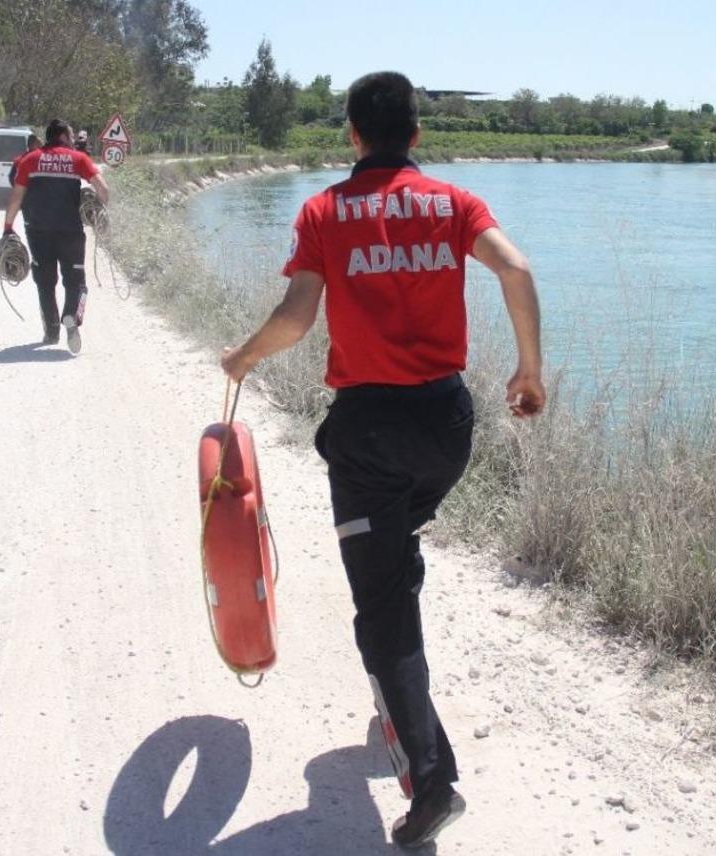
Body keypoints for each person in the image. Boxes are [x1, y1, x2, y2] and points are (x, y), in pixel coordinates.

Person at [221, 71, 545, 849]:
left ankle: (432, 781)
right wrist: (530, 371)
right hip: (448, 426)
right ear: (417, 136)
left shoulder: (324, 211)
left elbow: (298, 317)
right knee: (397, 553)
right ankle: (398, 692)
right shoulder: (454, 204)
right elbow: (518, 269)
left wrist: (241, 358)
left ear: (353, 135)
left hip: (368, 432)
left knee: (382, 611)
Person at [3, 119, 109, 352]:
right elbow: (103, 189)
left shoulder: (29, 160)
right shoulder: (78, 159)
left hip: (38, 233)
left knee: (45, 282)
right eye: (70, 136)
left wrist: (7, 228)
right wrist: (100, 212)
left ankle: (51, 332)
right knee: (76, 282)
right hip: (70, 232)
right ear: (62, 136)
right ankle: (71, 316)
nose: (72, 140)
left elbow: (16, 197)